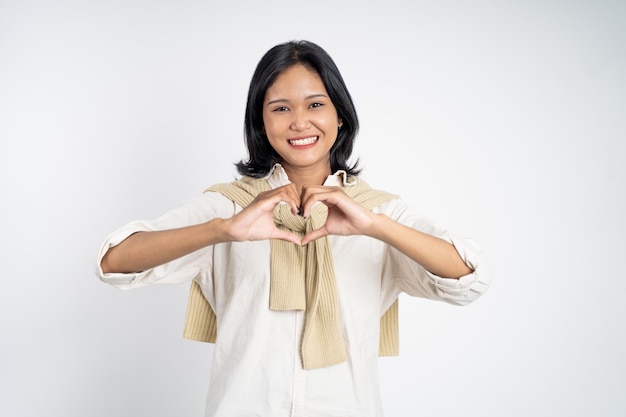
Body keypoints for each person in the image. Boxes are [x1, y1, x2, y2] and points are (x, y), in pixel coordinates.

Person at [96, 40, 490, 417]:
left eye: (315, 104)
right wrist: (222, 231)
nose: (299, 122)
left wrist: (376, 227)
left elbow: (470, 278)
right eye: (280, 108)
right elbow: (114, 262)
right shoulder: (229, 207)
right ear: (261, 122)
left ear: (340, 114)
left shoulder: (377, 212)